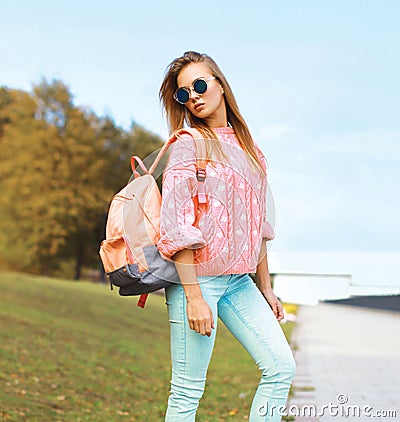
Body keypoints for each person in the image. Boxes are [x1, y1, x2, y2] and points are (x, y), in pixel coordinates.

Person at [157, 51, 296, 422]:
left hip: (239, 282)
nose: (195, 96)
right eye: (184, 93)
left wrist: (265, 288)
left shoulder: (252, 153)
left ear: (220, 83)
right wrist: (193, 297)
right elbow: (175, 224)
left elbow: (259, 227)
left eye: (200, 85)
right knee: (187, 391)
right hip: (197, 281)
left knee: (281, 368)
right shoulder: (188, 144)